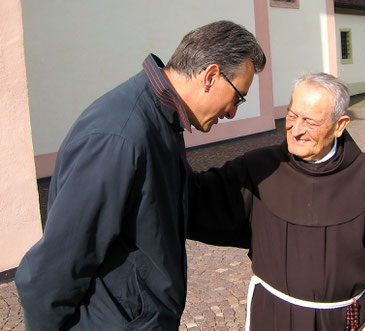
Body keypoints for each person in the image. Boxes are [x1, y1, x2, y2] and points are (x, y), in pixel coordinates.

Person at [15, 20, 266, 331]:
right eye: (237, 97)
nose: (232, 112)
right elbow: (54, 270)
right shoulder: (120, 136)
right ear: (210, 76)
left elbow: (172, 204)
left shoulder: (162, 118)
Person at [188, 73, 365, 330]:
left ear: (340, 125)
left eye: (310, 121)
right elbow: (196, 198)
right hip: (273, 317)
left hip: (342, 322)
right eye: (292, 115)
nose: (296, 130)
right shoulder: (259, 168)